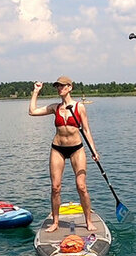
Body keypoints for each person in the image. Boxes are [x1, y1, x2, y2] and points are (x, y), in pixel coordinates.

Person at [28, 76, 99, 232]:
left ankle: (88, 220)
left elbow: (86, 130)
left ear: (70, 87)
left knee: (81, 186)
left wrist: (93, 150)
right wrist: (36, 91)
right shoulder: (55, 107)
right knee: (55, 187)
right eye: (57, 86)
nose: (59, 88)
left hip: (77, 149)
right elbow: (32, 112)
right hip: (58, 148)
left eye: (62, 86)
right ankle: (55, 222)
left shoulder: (80, 107)